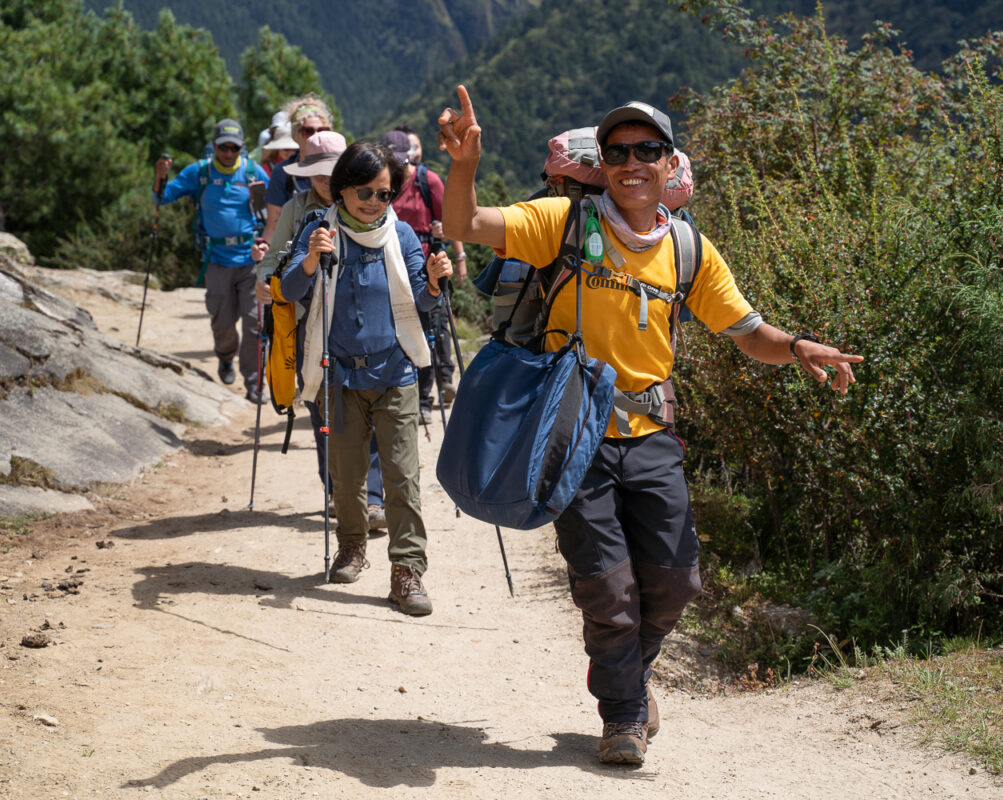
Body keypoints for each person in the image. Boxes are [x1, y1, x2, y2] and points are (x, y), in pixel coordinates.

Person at [439, 87, 862, 766]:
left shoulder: (688, 250)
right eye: (617, 153)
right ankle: (625, 716)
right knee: (607, 589)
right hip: (573, 436)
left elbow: (746, 331)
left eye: (647, 150)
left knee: (676, 581)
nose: (631, 162)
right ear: (603, 165)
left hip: (653, 435)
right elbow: (465, 225)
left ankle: (624, 671)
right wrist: (464, 166)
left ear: (670, 163)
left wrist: (796, 346)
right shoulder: (563, 222)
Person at [280, 140, 452, 614]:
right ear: (342, 189)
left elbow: (422, 300)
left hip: (395, 372)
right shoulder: (319, 229)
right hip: (338, 375)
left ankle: (407, 570)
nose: (375, 202)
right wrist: (310, 259)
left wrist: (433, 280)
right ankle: (352, 545)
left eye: (384, 193)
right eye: (365, 192)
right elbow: (290, 288)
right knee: (347, 473)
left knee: (402, 476)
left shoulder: (401, 235)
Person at [256, 131, 388, 536]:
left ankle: (374, 498)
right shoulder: (297, 209)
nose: (325, 182)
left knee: (372, 407)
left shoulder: (369, 203)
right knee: (323, 409)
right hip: (309, 323)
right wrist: (267, 279)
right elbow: (273, 261)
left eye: (331, 174)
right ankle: (336, 492)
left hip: (361, 322)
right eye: (317, 176)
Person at [155, 119, 270, 401]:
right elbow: (163, 197)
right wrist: (160, 176)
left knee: (255, 322)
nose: (229, 153)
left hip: (251, 260)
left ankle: (255, 383)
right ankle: (225, 356)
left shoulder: (253, 172)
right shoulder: (200, 172)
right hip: (216, 260)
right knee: (222, 322)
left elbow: (273, 212)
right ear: (214, 146)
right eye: (223, 147)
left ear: (243, 147)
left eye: (234, 148)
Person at [382, 127, 467, 425]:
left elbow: (450, 220)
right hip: (393, 267)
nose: (398, 168)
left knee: (432, 329)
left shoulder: (428, 181)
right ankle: (413, 395)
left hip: (427, 266)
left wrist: (459, 257)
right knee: (406, 331)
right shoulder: (383, 183)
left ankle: (427, 397)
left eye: (401, 162)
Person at [262, 94, 335, 243]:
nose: (316, 136)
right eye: (308, 131)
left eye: (323, 130)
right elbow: (273, 226)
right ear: (295, 135)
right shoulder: (282, 172)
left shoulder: (341, 169)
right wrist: (266, 252)